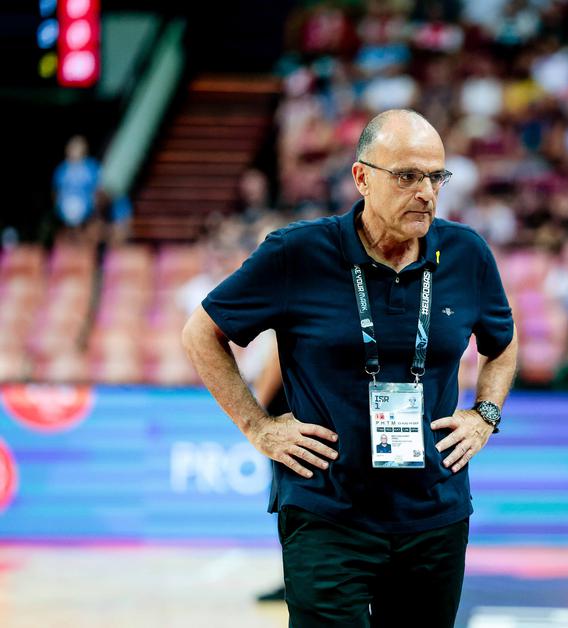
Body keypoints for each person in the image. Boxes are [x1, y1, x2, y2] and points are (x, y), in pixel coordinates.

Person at [181, 108, 518, 628]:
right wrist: (258, 427)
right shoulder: (297, 252)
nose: (426, 192)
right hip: (327, 512)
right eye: (407, 176)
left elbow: (503, 343)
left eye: (436, 177)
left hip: (435, 514)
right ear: (362, 177)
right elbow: (201, 333)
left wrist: (485, 415)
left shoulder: (466, 253)